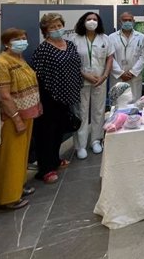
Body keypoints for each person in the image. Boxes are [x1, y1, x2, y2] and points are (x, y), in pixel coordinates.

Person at [0, 28, 41, 210]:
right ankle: (8, 197)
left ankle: (18, 187)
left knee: (21, 155)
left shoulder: (20, 59)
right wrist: (16, 119)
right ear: (6, 43)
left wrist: (37, 104)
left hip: (28, 112)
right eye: (17, 39)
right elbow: (4, 96)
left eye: (24, 38)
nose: (22, 41)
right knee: (10, 157)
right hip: (13, 117)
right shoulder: (0, 63)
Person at [31, 13, 82, 184]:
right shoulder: (43, 50)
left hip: (67, 96)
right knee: (46, 133)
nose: (56, 29)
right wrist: (38, 100)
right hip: (49, 97)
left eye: (59, 25)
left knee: (59, 131)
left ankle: (55, 160)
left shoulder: (69, 45)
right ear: (45, 30)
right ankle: (45, 169)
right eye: (52, 27)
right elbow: (37, 76)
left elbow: (76, 67)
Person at [70, 12, 113, 159]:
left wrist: (105, 75)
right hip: (81, 80)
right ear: (83, 21)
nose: (92, 21)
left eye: (95, 19)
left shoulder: (105, 39)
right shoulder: (74, 39)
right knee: (81, 112)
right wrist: (84, 74)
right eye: (89, 19)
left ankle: (96, 140)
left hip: (100, 80)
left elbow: (109, 58)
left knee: (99, 111)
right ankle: (80, 145)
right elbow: (72, 61)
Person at [109, 11, 144, 100]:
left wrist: (132, 72)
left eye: (130, 20)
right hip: (118, 77)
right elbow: (110, 58)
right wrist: (120, 73)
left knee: (135, 102)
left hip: (134, 76)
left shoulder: (141, 37)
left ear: (133, 21)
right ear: (120, 21)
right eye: (125, 20)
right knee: (118, 102)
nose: (127, 22)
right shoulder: (111, 37)